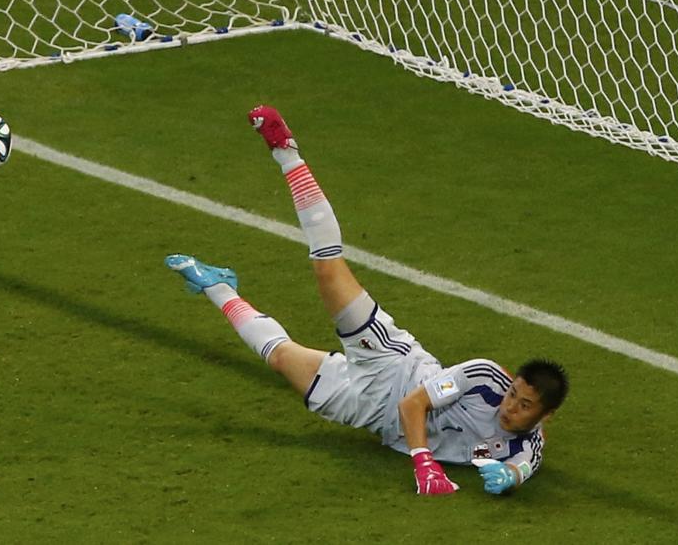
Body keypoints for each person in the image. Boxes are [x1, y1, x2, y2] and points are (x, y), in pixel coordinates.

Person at [165, 105, 569, 495]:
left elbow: (521, 470)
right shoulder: (484, 378)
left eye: (524, 404)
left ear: (545, 415)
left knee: (278, 357)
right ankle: (286, 151)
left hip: (371, 413)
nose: (510, 406)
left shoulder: (526, 447)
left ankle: (219, 286)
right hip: (392, 364)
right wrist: (423, 463)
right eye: (515, 393)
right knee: (327, 267)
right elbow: (415, 403)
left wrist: (508, 480)